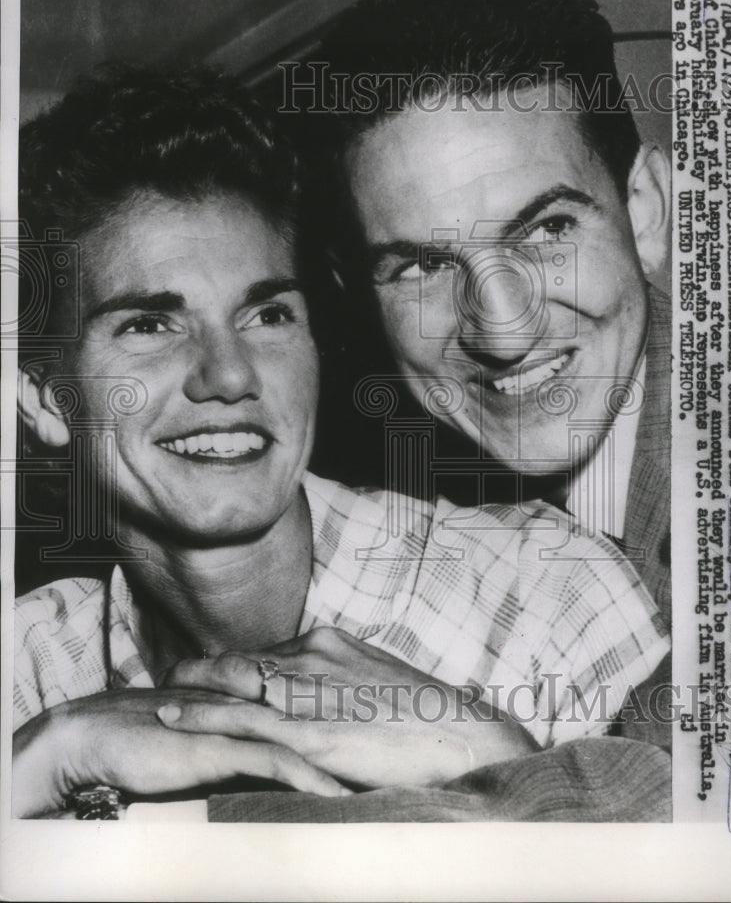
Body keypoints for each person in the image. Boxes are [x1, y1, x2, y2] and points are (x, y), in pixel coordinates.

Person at [13, 64, 670, 821]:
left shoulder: (546, 593)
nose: (229, 376)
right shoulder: (27, 668)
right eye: (150, 325)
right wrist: (40, 758)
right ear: (44, 399)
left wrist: (494, 761)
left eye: (268, 314)